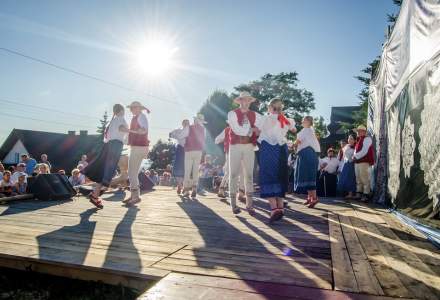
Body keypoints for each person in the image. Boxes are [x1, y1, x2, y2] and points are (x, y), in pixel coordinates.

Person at [255, 98, 296, 223]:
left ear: (270, 107)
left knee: (267, 176)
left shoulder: (265, 118)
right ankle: (281, 208)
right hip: (281, 149)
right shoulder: (285, 119)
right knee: (279, 176)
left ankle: (274, 209)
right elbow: (294, 130)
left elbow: (256, 131)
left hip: (268, 148)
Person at [83, 104, 128, 209]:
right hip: (115, 146)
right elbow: (122, 129)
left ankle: (95, 195)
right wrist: (134, 132)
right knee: (107, 174)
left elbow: (106, 138)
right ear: (122, 110)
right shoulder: (121, 118)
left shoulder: (113, 120)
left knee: (104, 173)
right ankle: (95, 195)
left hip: (108, 146)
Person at [227, 91, 261, 215]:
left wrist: (256, 130)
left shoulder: (256, 115)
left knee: (249, 175)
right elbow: (236, 129)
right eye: (243, 100)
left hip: (248, 146)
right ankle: (233, 204)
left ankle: (250, 204)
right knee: (234, 173)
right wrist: (252, 129)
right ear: (239, 101)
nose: (245, 102)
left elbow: (260, 129)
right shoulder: (232, 114)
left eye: (248, 100)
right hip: (235, 145)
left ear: (250, 102)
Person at [124, 101, 150, 206]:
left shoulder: (141, 117)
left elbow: (143, 130)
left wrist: (129, 130)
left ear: (139, 108)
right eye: (131, 108)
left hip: (139, 147)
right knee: (132, 172)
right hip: (139, 147)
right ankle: (134, 195)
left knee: (131, 173)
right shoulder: (138, 117)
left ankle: (135, 196)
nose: (131, 110)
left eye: (133, 108)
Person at [294, 116, 321, 208]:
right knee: (307, 176)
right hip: (308, 154)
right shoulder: (309, 130)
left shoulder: (306, 130)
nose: (302, 121)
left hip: (307, 154)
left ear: (309, 121)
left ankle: (314, 198)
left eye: (304, 120)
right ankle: (310, 197)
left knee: (308, 176)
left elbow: (298, 141)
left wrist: (291, 145)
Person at [182, 114, 206, 198]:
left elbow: (182, 135)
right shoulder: (203, 129)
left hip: (189, 150)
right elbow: (203, 140)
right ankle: (195, 188)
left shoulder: (189, 127)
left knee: (188, 170)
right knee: (195, 170)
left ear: (195, 120)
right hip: (198, 151)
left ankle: (186, 189)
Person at [353, 125, 374, 202]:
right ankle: (359, 193)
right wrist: (354, 156)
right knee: (358, 178)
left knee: (364, 178)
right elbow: (356, 150)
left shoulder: (367, 139)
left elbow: (364, 150)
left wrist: (356, 156)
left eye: (359, 131)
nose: (358, 132)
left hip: (364, 161)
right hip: (358, 161)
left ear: (364, 132)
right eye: (357, 131)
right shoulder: (359, 140)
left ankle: (366, 194)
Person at [169, 119, 190, 194]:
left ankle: (184, 186)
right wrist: (175, 135)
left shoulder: (190, 130)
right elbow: (171, 134)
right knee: (177, 168)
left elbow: (178, 136)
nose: (186, 124)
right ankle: (179, 185)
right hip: (180, 148)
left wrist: (176, 136)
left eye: (187, 123)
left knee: (186, 168)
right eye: (184, 123)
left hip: (188, 150)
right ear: (182, 123)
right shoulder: (178, 129)